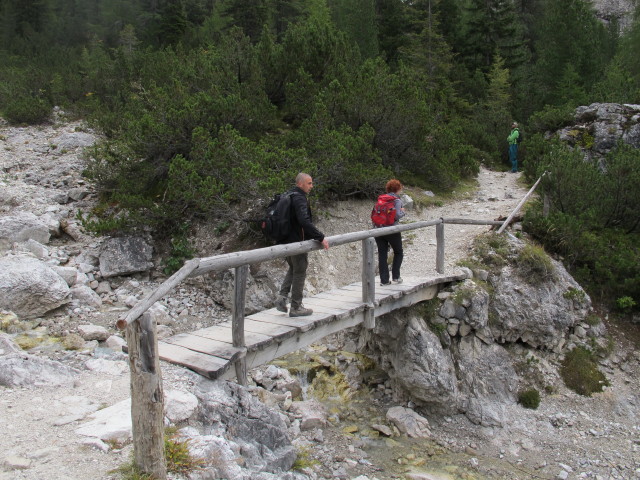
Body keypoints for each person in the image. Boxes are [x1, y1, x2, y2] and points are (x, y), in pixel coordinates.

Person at [274, 173, 330, 317]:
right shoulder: (299, 198)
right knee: (300, 270)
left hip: (284, 241)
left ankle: (281, 299)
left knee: (293, 268)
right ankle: (296, 307)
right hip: (296, 242)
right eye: (309, 183)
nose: (312, 186)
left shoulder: (289, 195)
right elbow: (304, 221)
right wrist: (320, 237)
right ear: (300, 184)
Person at [374, 179, 405, 286]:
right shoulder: (397, 200)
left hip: (378, 229)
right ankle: (396, 276)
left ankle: (384, 280)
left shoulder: (381, 199)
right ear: (398, 189)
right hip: (392, 230)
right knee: (398, 252)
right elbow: (396, 215)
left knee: (382, 254)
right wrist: (403, 212)